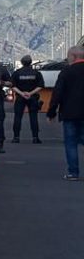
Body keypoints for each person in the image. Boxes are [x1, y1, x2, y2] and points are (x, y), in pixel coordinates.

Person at [46, 46, 84, 180]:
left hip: (70, 114)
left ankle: (73, 173)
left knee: (71, 143)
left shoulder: (66, 71)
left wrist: (51, 112)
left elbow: (57, 93)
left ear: (73, 56)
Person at [10, 54, 44, 144]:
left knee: (18, 117)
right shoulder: (36, 73)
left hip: (20, 97)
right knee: (33, 117)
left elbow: (12, 86)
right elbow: (40, 86)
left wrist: (22, 93)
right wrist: (30, 93)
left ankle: (16, 137)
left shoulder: (17, 73)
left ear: (22, 62)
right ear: (31, 62)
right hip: (33, 97)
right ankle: (35, 138)